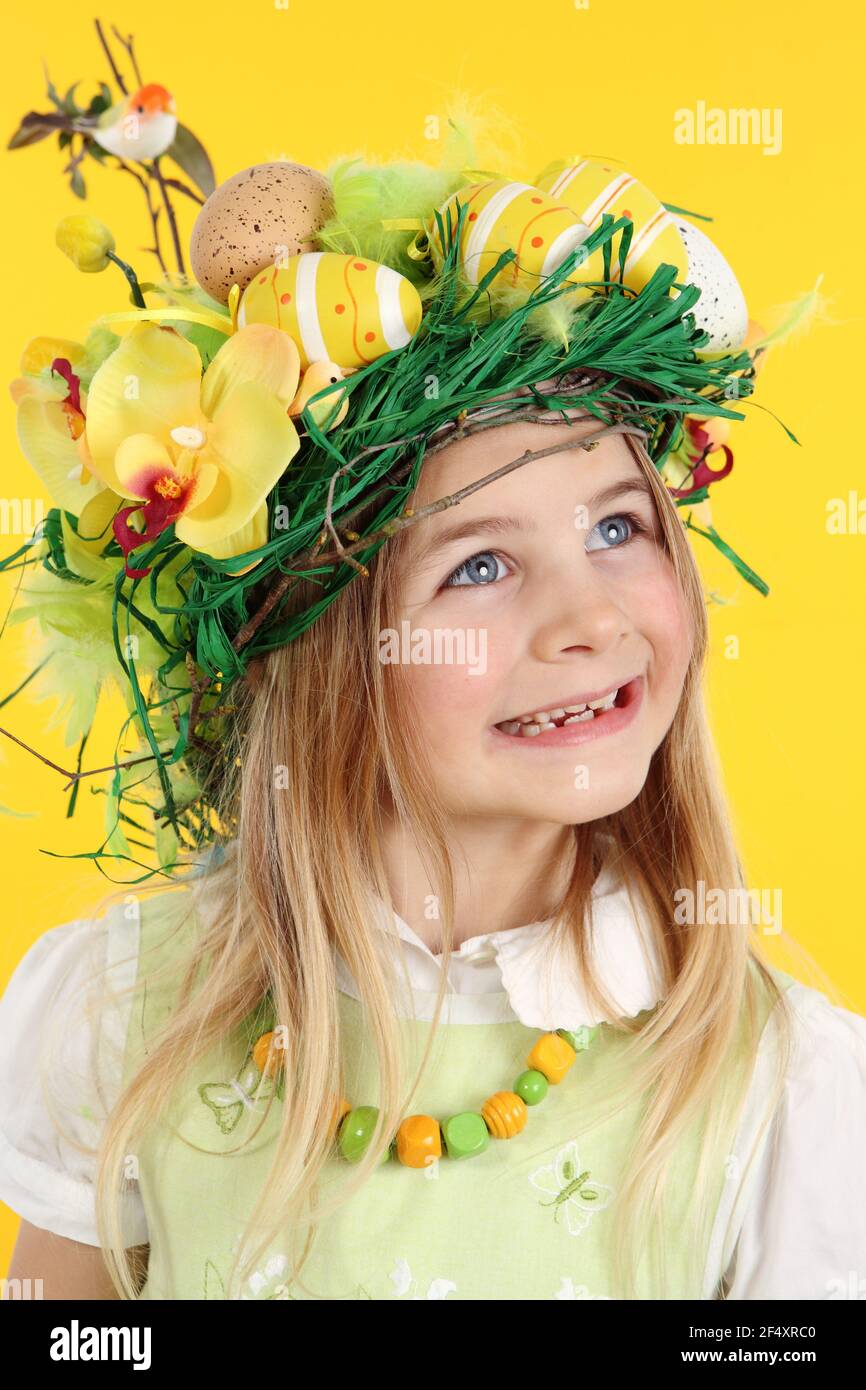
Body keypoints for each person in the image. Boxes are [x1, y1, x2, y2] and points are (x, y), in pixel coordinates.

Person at [1, 123, 864, 1301]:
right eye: (478, 567)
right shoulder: (126, 1011)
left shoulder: (775, 1087)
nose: (587, 621)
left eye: (616, 528)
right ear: (316, 647)